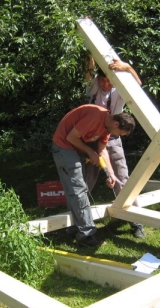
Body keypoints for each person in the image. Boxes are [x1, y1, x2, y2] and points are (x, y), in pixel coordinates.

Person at [52, 104, 136, 247]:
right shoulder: (95, 116)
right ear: (116, 124)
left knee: (77, 190)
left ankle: (74, 228)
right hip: (64, 146)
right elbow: (71, 137)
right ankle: (86, 235)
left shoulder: (107, 126)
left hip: (74, 147)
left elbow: (102, 150)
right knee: (78, 189)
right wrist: (90, 152)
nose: (116, 136)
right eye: (118, 133)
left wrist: (111, 173)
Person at [84, 56, 146, 239]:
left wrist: (127, 68)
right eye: (102, 80)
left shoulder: (119, 89)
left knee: (122, 177)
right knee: (87, 180)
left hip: (112, 138)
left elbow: (138, 86)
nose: (105, 84)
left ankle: (136, 221)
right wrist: (90, 56)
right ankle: (80, 223)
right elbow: (88, 73)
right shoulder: (94, 87)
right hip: (91, 138)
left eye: (108, 80)